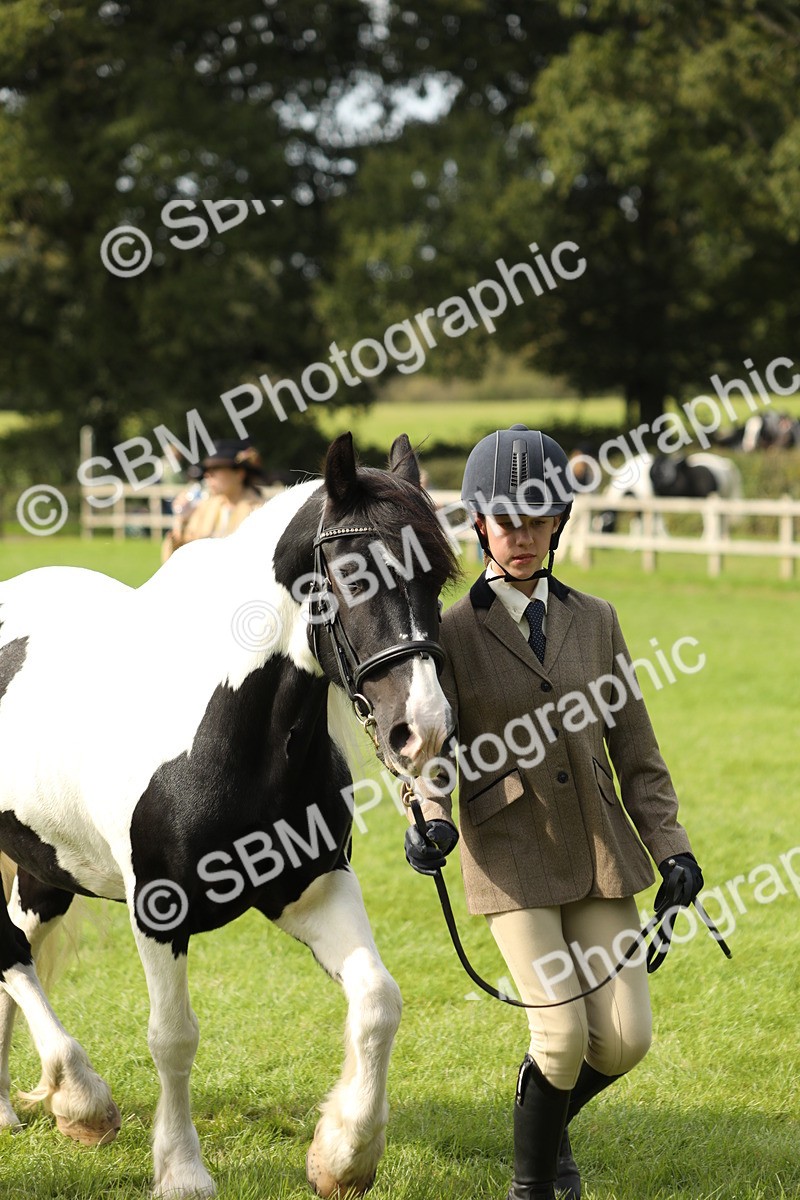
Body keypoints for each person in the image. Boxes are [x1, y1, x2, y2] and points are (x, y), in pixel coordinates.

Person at [404, 425, 705, 1200]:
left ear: (560, 521)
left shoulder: (598, 618)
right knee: (563, 1036)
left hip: (601, 851)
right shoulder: (449, 634)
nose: (522, 536)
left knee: (626, 1039)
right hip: (511, 852)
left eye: (538, 519)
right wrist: (430, 813)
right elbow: (429, 749)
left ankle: (540, 1104)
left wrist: (671, 848)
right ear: (479, 524)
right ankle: (534, 1183)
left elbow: (637, 751)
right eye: (507, 520)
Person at [161, 439, 267, 561]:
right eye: (207, 470)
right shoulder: (205, 508)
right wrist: (181, 522)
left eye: (215, 469)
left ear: (239, 473)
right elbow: (177, 562)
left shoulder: (259, 511)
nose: (207, 475)